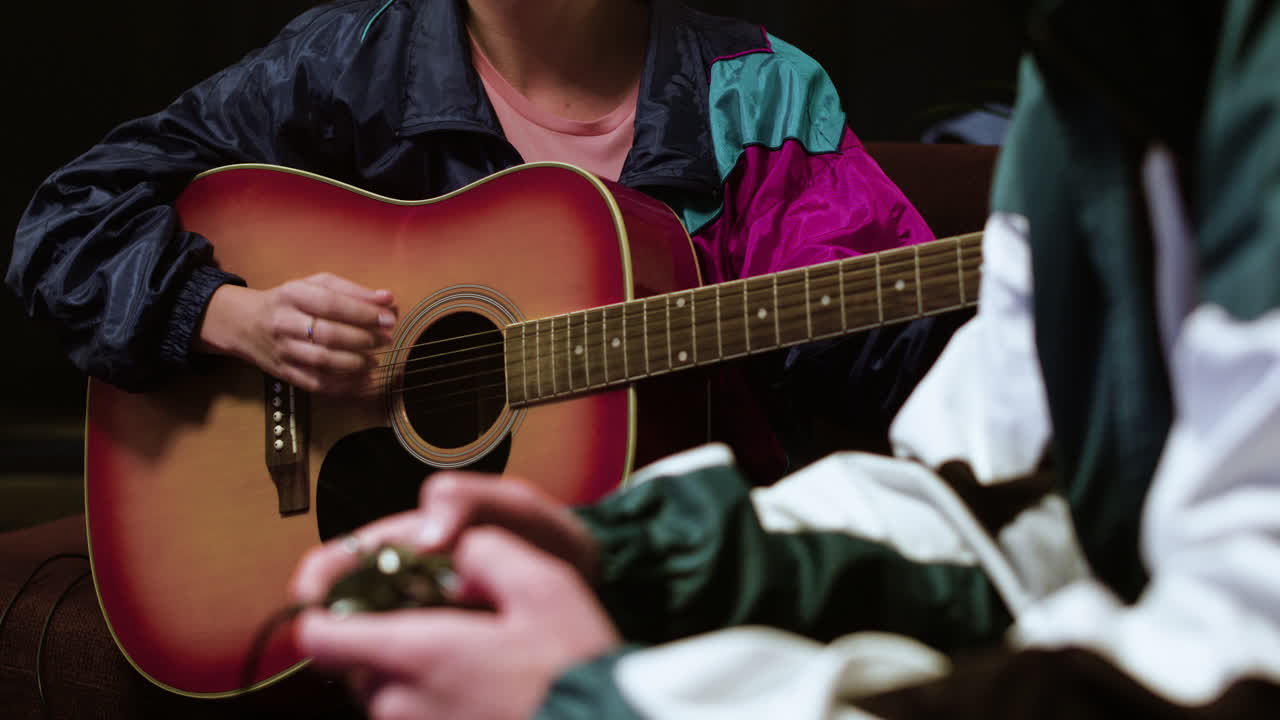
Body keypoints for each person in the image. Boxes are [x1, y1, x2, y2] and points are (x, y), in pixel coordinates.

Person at [289, 1, 1280, 718]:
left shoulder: (757, 87)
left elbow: (1231, 669)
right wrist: (624, 558)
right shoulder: (1089, 53)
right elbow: (989, 497)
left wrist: (609, 702)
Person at [7, 0, 950, 483]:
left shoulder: (761, 91)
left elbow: (880, 350)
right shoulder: (346, 65)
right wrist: (228, 312)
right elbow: (68, 221)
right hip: (397, 552)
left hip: (684, 552)